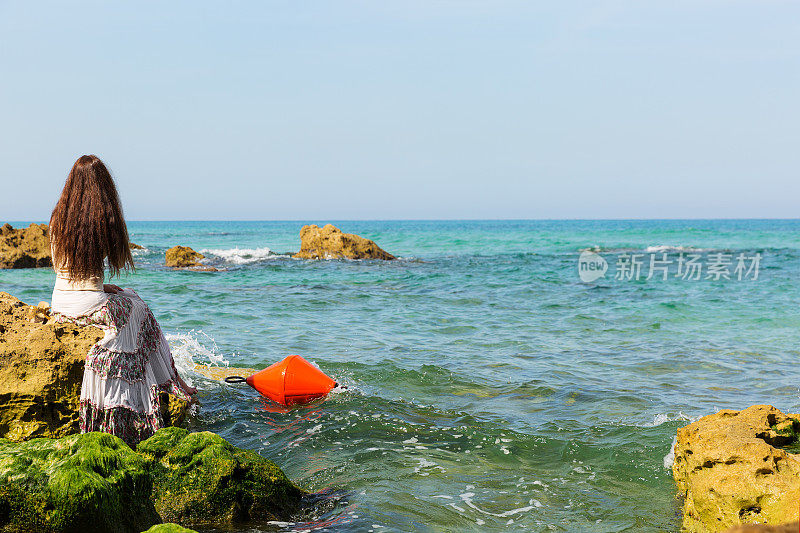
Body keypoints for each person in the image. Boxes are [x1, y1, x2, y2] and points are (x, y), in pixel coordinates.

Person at [49, 154, 196, 447]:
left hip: (60, 301)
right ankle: (169, 383)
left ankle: (170, 382)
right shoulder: (101, 220)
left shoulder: (57, 217)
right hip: (88, 301)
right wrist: (98, 288)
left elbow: (65, 269)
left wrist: (102, 286)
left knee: (128, 296)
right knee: (139, 308)